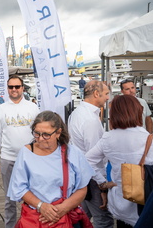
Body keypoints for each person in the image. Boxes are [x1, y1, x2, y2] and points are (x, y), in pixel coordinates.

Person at [85, 95, 153, 227]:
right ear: (137, 111)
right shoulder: (151, 139)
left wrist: (103, 183)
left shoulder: (108, 138)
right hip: (145, 201)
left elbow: (87, 161)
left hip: (120, 201)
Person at [8, 111, 94, 227]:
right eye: (37, 133)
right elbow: (19, 187)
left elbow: (82, 189)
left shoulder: (73, 153)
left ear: (58, 133)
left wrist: (62, 209)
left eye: (46, 134)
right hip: (36, 218)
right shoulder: (26, 153)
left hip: (65, 215)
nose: (41, 139)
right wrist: (41, 206)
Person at [0, 75, 40, 228]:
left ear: (22, 88)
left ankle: (31, 224)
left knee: (33, 196)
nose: (14, 90)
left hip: (30, 159)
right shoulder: (2, 108)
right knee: (9, 199)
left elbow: (38, 133)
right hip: (7, 158)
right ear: (7, 89)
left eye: (17, 87)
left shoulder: (33, 107)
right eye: (11, 87)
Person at [68, 80, 114, 227]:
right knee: (104, 220)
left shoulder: (77, 113)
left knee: (82, 217)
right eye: (106, 94)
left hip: (82, 176)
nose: (108, 98)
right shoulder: (90, 119)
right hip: (93, 178)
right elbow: (93, 158)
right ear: (96, 94)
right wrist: (102, 184)